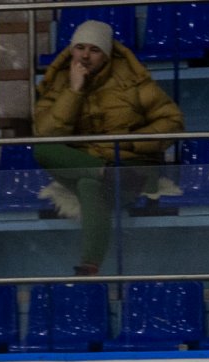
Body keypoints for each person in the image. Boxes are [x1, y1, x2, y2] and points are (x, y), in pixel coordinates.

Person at [32, 19, 185, 276]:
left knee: (87, 184)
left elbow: (173, 122)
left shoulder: (132, 81)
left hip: (130, 166)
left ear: (106, 54)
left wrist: (128, 142)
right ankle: (104, 171)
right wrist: (74, 90)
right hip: (88, 163)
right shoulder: (60, 81)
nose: (85, 56)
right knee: (42, 149)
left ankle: (90, 265)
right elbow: (46, 132)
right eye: (80, 48)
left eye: (94, 50)